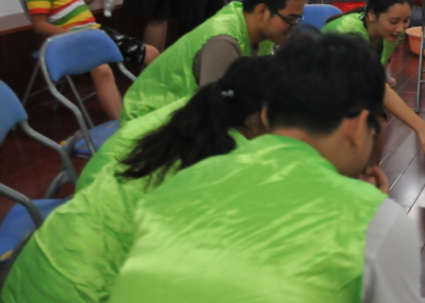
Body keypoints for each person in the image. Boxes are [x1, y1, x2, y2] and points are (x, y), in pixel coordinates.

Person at [108, 33, 421, 303]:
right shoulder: (375, 221)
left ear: (266, 115)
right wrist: (372, 213)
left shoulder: (181, 181)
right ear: (358, 126)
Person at [0, 57, 271, 303]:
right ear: (266, 115)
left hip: (37, 272)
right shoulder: (235, 163)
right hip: (78, 288)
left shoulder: (190, 123)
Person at [118, 0, 311, 124]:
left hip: (182, 117)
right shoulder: (223, 43)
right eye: (290, 19)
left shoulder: (260, 27)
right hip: (149, 124)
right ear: (262, 11)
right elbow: (213, 117)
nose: (294, 26)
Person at [21, 0, 159, 120]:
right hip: (73, 41)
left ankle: (156, 104)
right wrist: (73, 36)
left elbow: (77, 2)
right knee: (102, 70)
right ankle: (123, 125)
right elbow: (39, 26)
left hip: (94, 32)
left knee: (151, 53)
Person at [323, 0, 425, 162]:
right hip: (319, 99)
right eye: (393, 22)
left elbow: (376, 77)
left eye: (406, 21)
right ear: (372, 14)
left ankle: (370, 172)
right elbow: (377, 87)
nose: (401, 28)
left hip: (348, 92)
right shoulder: (348, 33)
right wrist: (421, 127)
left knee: (377, 122)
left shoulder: (388, 32)